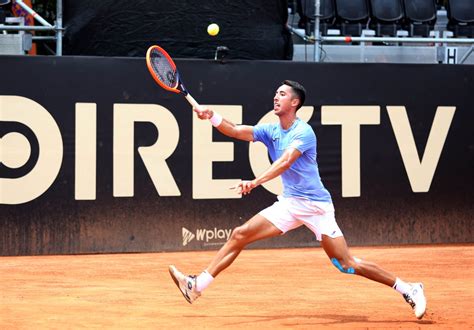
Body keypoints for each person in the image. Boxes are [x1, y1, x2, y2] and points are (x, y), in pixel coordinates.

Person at [169, 80, 427, 319]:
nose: (276, 97)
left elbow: (284, 162)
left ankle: (409, 288)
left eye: (282, 94)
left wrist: (256, 182)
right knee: (240, 234)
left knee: (346, 264)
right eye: (276, 93)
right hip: (291, 204)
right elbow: (236, 130)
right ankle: (197, 285)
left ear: (295, 103)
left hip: (316, 207)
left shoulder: (303, 132)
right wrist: (211, 116)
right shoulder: (271, 129)